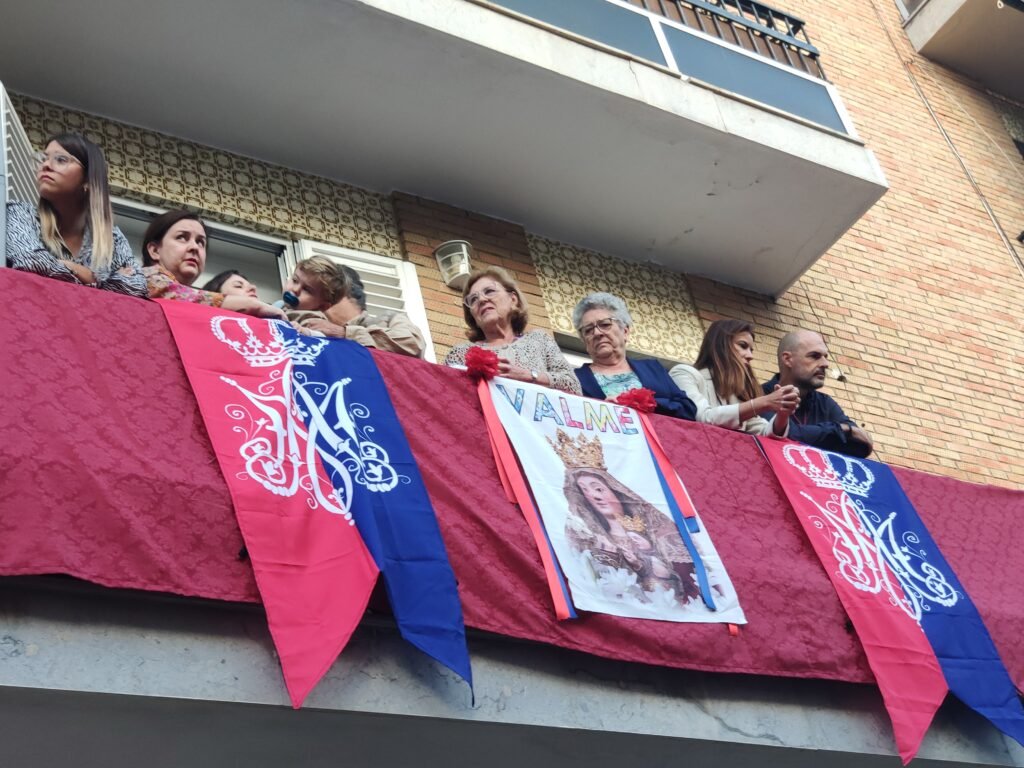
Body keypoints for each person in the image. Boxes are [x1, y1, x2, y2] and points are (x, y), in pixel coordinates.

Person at [5, 132, 146, 297]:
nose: (45, 165)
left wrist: (68, 268)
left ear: (88, 179)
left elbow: (137, 287)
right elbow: (31, 262)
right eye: (43, 159)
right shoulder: (19, 213)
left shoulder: (112, 238)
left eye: (61, 160)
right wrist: (92, 277)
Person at [444, 266, 581, 394]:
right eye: (473, 299)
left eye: (489, 291)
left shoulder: (539, 340)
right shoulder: (461, 353)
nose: (481, 300)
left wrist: (529, 375)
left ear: (513, 299)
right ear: (473, 316)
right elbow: (445, 396)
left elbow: (573, 387)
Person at [572, 293, 696, 420]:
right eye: (588, 330)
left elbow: (688, 410)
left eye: (605, 324)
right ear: (584, 341)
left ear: (625, 331)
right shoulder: (575, 379)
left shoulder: (653, 369)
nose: (597, 333)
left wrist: (645, 403)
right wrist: (601, 411)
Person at [142, 210, 283, 318]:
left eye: (200, 242)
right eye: (182, 237)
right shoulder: (142, 278)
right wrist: (254, 305)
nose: (194, 247)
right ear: (155, 250)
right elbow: (176, 294)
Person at [669, 319, 799, 436]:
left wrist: (783, 413)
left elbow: (764, 433)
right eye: (743, 346)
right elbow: (702, 418)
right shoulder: (684, 373)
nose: (750, 356)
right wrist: (764, 402)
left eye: (751, 350)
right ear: (720, 345)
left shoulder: (737, 395)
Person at [763, 330, 873, 457]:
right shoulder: (760, 395)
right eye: (814, 356)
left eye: (826, 357)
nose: (825, 364)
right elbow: (785, 432)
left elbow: (860, 445)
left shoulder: (825, 403)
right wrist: (843, 430)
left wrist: (841, 432)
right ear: (788, 359)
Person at [302, 264, 427, 358]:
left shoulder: (389, 319)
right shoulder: (313, 327)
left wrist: (344, 333)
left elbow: (413, 343)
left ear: (347, 293)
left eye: (327, 295)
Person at [278, 255, 349, 328]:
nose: (295, 289)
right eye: (295, 280)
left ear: (322, 306)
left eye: (306, 289)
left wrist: (305, 331)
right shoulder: (279, 305)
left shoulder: (312, 319)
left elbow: (318, 333)